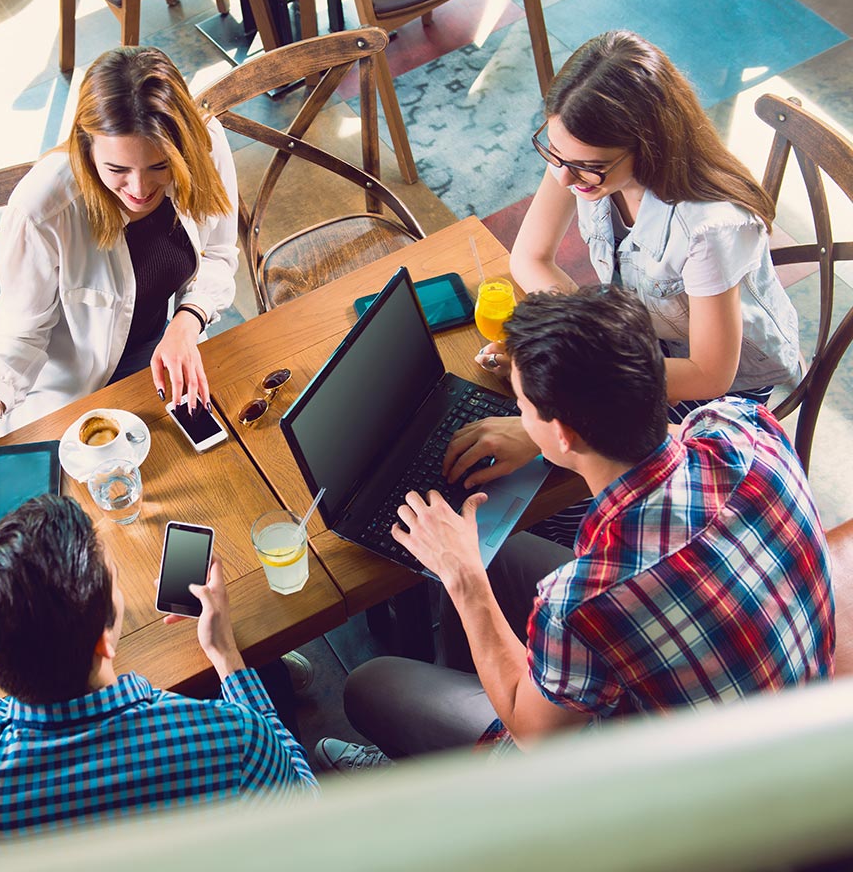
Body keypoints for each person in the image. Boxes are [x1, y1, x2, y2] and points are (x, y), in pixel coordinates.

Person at [314, 287, 834, 771]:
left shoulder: (584, 598)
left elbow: (534, 733)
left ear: (562, 433)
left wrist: (462, 574)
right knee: (501, 551)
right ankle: (481, 694)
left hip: (688, 783)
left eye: (521, 408)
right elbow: (653, 439)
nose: (519, 416)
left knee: (372, 684)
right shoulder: (744, 428)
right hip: (787, 708)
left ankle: (465, 785)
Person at [479, 30, 801, 546]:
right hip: (643, 340)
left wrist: (577, 371)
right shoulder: (578, 152)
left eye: (586, 167)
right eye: (553, 153)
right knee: (533, 438)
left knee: (555, 484)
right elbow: (530, 257)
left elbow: (710, 373)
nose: (563, 179)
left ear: (649, 144)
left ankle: (578, 565)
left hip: (723, 384)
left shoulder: (711, 227)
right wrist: (567, 341)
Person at [0, 494, 317, 868]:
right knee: (268, 676)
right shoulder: (236, 740)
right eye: (115, 580)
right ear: (105, 641)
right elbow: (307, 814)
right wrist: (225, 652)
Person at [0, 45, 239, 509]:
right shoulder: (42, 209)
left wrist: (187, 321)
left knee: (211, 484)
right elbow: (18, 334)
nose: (140, 189)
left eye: (159, 166)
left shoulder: (205, 143)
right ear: (87, 148)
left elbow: (220, 252)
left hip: (160, 354)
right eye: (118, 170)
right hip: (71, 393)